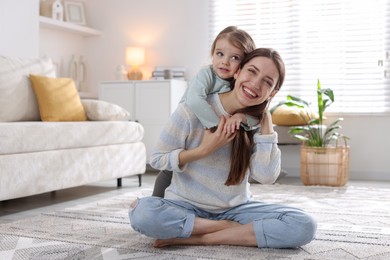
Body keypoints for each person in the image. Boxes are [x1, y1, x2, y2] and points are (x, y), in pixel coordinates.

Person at [129, 48, 317, 249]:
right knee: (143, 214)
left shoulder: (256, 125)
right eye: (251, 72)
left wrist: (266, 119)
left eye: (267, 82)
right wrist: (203, 150)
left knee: (304, 225)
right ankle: (226, 228)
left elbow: (266, 177)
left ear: (273, 92)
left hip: (237, 208)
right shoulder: (192, 109)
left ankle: (204, 236)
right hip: (185, 205)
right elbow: (158, 158)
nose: (255, 83)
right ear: (237, 72)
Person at [152, 26, 256, 197]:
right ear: (213, 54)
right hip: (187, 134)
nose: (225, 62)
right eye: (220, 54)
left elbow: (256, 118)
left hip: (205, 155)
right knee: (169, 174)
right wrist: (217, 128)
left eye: (235, 58)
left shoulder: (240, 87)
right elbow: (194, 100)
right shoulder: (207, 73)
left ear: (244, 64)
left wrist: (241, 116)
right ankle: (151, 202)